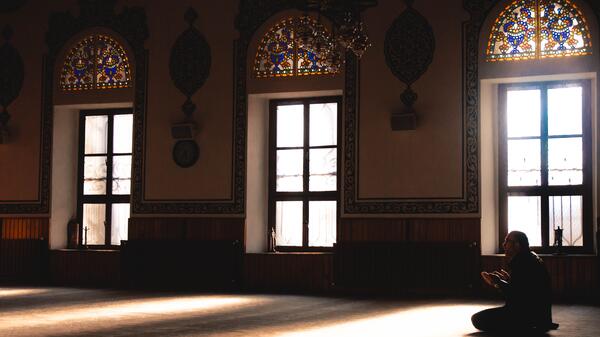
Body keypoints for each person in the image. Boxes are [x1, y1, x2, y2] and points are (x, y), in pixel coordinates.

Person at [471, 231, 559, 332]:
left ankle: (524, 326)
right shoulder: (531, 257)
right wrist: (508, 280)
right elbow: (524, 288)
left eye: (507, 241)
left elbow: (515, 295)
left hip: (526, 315)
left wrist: (497, 282)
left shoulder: (522, 262)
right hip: (540, 316)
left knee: (477, 319)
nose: (504, 244)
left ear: (517, 245)